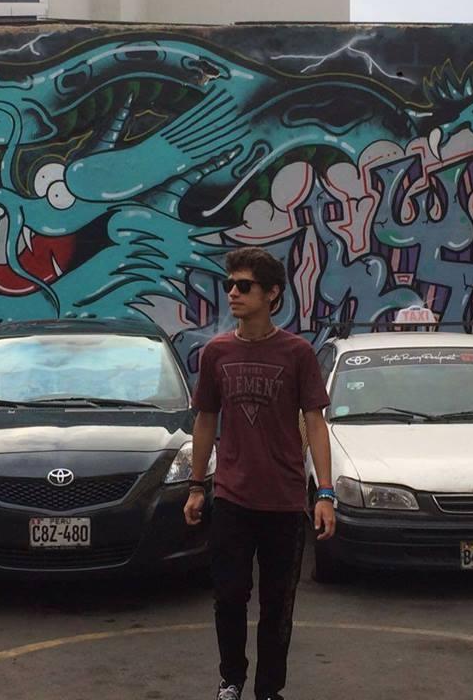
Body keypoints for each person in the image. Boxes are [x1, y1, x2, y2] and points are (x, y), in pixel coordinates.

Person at [184, 247, 336, 700]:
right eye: (230, 284)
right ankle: (231, 680)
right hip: (233, 498)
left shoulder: (297, 353)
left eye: (244, 285)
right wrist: (196, 486)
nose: (233, 292)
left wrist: (324, 493)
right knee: (229, 596)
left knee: (277, 606)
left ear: (272, 294)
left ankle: (269, 690)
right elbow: (205, 420)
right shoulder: (217, 352)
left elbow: (315, 423)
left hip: (284, 502)